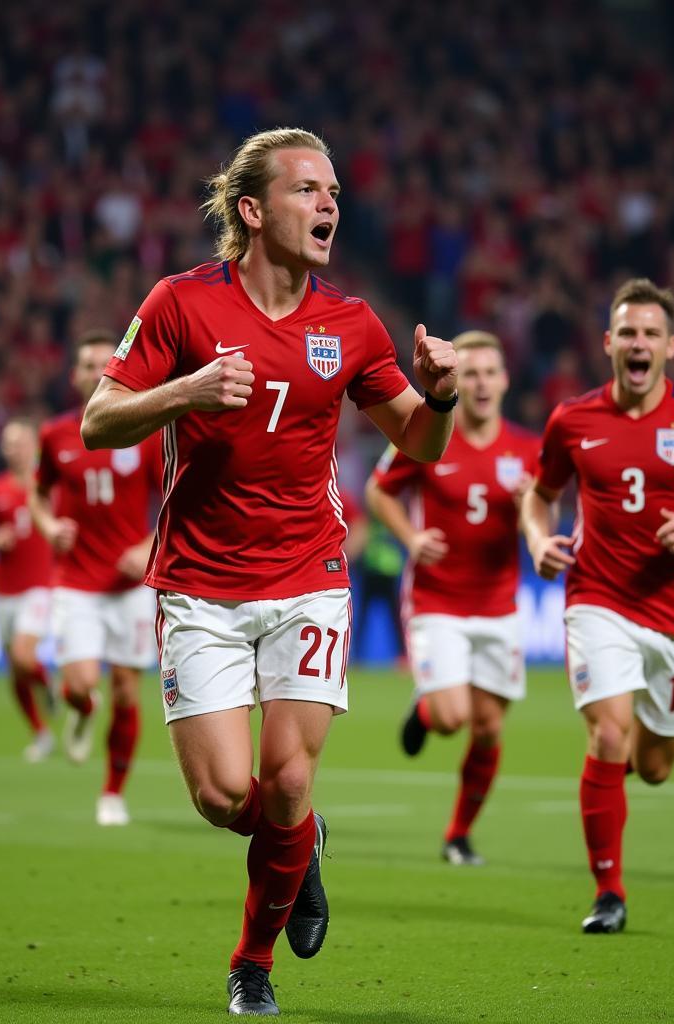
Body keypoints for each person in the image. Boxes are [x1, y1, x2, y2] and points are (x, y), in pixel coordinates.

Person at [80, 128, 458, 1017]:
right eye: (307, 190)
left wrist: (439, 394)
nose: (329, 204)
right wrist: (188, 391)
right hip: (201, 584)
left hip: (310, 572)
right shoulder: (180, 303)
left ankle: (252, 965)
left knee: (287, 777)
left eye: (333, 191)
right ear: (252, 210)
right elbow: (99, 420)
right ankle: (302, 840)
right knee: (222, 797)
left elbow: (420, 442)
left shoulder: (352, 322)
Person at [521, 278, 674, 935]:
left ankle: (612, 781)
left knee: (654, 768)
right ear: (608, 343)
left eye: (650, 334)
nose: (638, 343)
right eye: (627, 332)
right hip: (596, 597)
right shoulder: (571, 419)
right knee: (607, 732)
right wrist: (540, 539)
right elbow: (538, 494)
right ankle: (609, 892)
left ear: (670, 347)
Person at [366, 330, 538, 866]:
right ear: (457, 379)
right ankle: (424, 708)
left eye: (492, 372)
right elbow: (377, 492)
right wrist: (412, 539)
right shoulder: (429, 433)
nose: (482, 382)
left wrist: (534, 507)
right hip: (437, 600)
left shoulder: (529, 450)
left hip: (499, 605)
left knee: (488, 728)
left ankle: (458, 834)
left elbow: (548, 509)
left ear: (505, 381)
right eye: (473, 372)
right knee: (450, 717)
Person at [28, 330, 163, 827]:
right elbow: (37, 494)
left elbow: (172, 499)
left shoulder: (145, 433)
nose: (96, 371)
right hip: (75, 583)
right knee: (82, 683)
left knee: (128, 691)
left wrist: (146, 546)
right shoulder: (54, 435)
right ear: (76, 376)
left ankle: (112, 793)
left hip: (128, 588)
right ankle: (84, 708)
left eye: (105, 363)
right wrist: (47, 526)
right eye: (88, 365)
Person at [0, 419, 55, 761]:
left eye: (17, 442)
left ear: (33, 445)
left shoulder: (48, 485)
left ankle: (46, 686)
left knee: (23, 655)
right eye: (6, 443)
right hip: (4, 591)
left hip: (41, 587)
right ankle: (41, 732)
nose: (11, 449)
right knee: (15, 669)